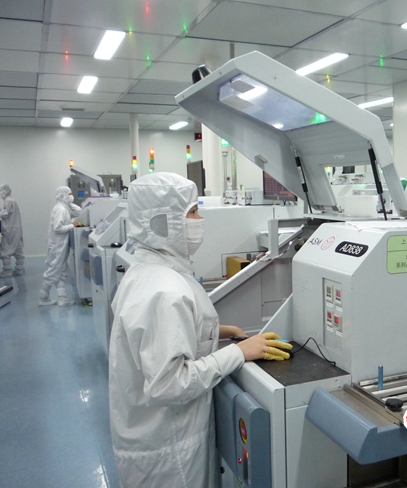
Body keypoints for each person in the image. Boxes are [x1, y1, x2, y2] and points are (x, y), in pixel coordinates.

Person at [109, 172, 291, 488]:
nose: (200, 220)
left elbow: (158, 338)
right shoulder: (165, 291)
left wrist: (218, 331)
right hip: (170, 454)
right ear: (163, 222)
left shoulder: (147, 271)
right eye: (192, 211)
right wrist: (238, 352)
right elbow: (169, 384)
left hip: (154, 437)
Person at [39, 186, 82, 306]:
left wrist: (69, 203)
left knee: (61, 270)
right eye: (69, 194)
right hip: (57, 245)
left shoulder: (64, 208)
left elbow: (79, 212)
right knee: (53, 271)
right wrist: (73, 225)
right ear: (63, 196)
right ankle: (43, 298)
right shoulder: (60, 209)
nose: (71, 196)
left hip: (60, 244)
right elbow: (58, 228)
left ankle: (63, 299)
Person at [0, 185, 24, 278]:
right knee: (18, 249)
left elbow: (4, 213)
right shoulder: (12, 200)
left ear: (5, 191)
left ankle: (7, 271)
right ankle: (19, 269)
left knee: (5, 250)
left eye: (1, 191)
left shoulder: (8, 201)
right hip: (16, 229)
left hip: (9, 229)